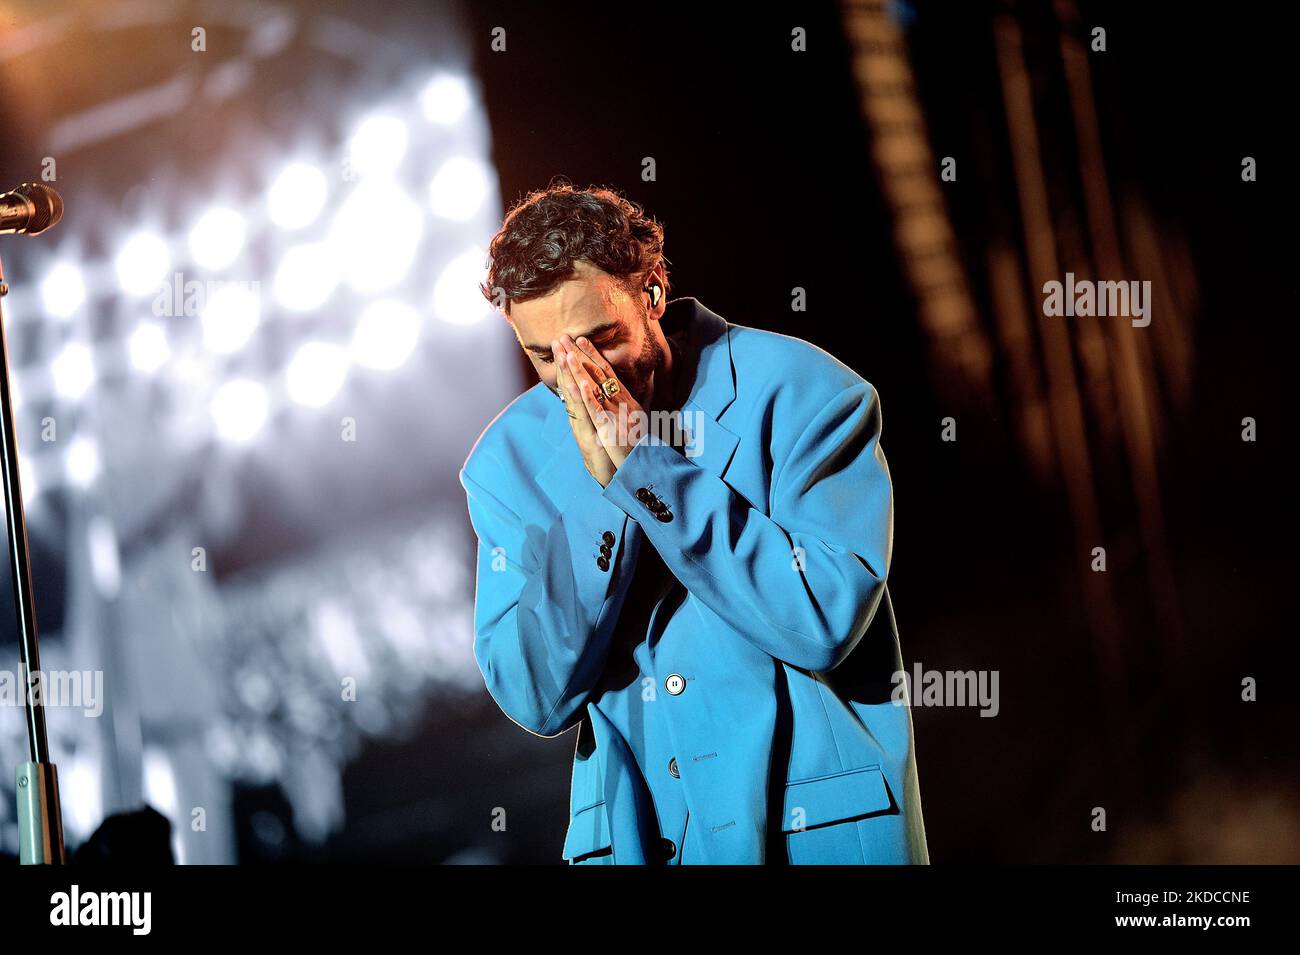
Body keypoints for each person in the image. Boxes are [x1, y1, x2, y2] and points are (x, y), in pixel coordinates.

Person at [459, 182, 929, 864]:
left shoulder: (806, 393)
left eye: (601, 340)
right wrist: (604, 487)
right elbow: (533, 692)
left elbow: (824, 617)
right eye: (545, 357)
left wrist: (645, 471)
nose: (580, 378)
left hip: (813, 836)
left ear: (650, 291)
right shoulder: (505, 466)